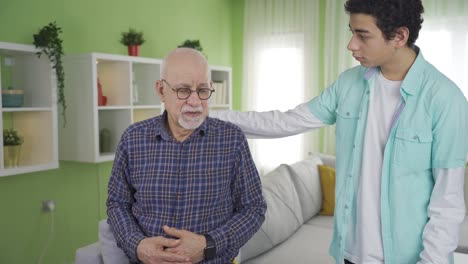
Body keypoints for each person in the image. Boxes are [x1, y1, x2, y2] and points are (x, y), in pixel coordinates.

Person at [211, 0, 467, 263]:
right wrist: (207, 117)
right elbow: (286, 121)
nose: (351, 45)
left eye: (363, 35)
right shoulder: (348, 84)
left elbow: (447, 205)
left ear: (400, 36)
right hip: (349, 254)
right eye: (351, 32)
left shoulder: (446, 100)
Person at [107, 48, 266, 264]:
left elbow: (253, 208)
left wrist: (209, 244)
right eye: (183, 90)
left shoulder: (232, 140)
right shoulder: (133, 139)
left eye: (202, 90)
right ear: (161, 90)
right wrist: (138, 245)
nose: (195, 102)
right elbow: (117, 203)